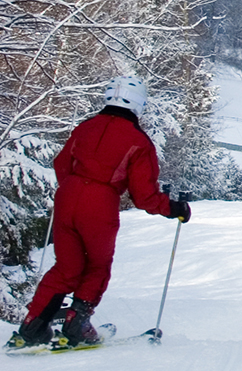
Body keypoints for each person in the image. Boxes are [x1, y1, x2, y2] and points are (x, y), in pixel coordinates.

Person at [12, 76, 190, 349]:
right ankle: (76, 324)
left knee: (66, 267)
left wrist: (74, 188)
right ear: (139, 103)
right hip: (100, 203)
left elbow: (62, 164)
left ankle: (32, 328)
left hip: (67, 196)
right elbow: (144, 196)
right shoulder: (138, 141)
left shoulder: (85, 127)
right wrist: (173, 208)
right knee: (97, 265)